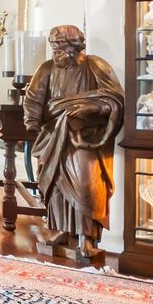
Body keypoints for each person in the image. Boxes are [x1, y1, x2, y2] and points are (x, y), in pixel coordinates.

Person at [21, 24, 124, 259]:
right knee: (55, 185)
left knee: (87, 185)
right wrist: (32, 121)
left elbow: (115, 99)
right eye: (54, 46)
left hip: (86, 137)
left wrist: (91, 107)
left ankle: (86, 238)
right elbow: (33, 97)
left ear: (75, 45)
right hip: (53, 134)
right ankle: (61, 230)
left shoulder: (94, 65)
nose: (56, 51)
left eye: (60, 46)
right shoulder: (47, 68)